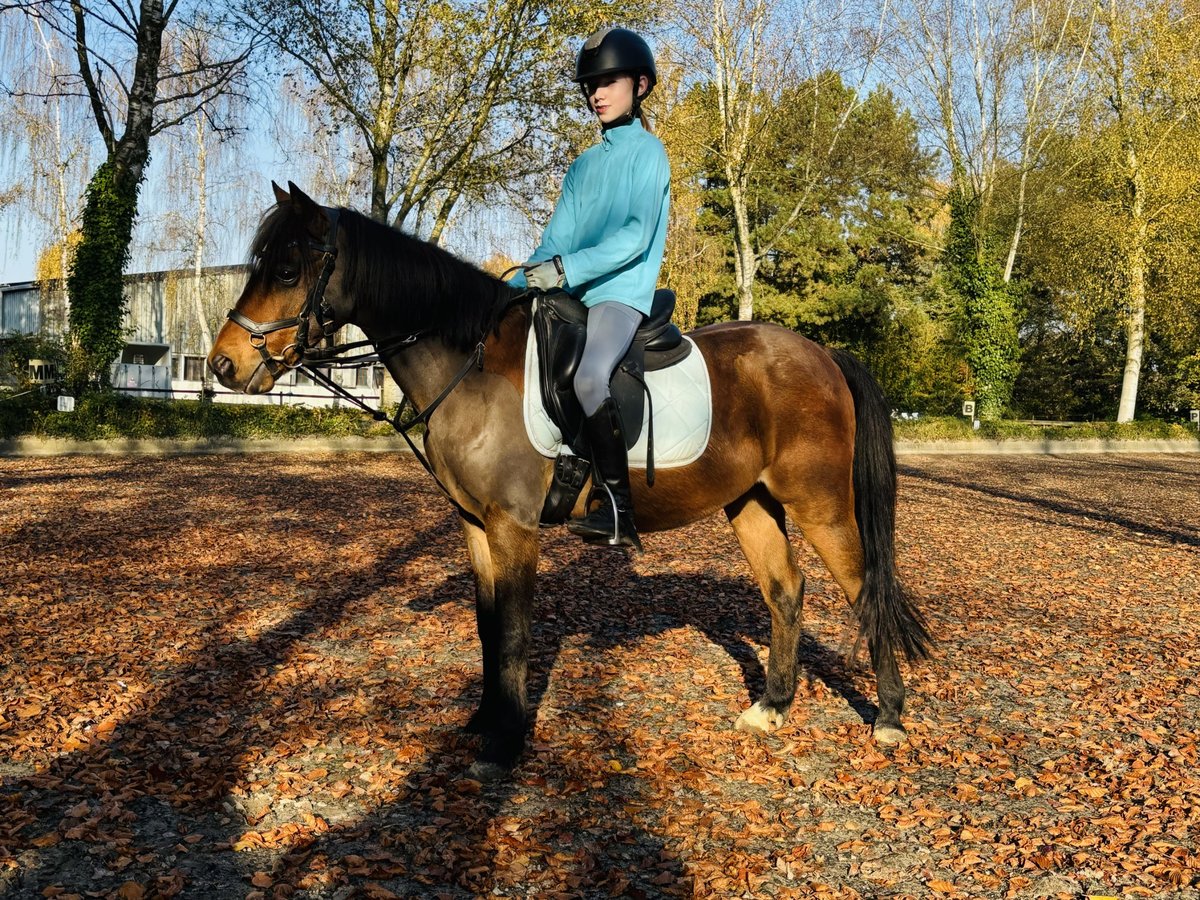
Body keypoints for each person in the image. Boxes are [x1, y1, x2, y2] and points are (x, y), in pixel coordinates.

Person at [510, 26, 671, 553]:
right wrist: (512, 282)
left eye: (608, 81)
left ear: (640, 85)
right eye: (590, 85)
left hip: (619, 294)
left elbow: (634, 236)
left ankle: (619, 510)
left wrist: (563, 269)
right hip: (573, 291)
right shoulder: (582, 166)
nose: (596, 93)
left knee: (589, 375)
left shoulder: (649, 154)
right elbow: (554, 241)